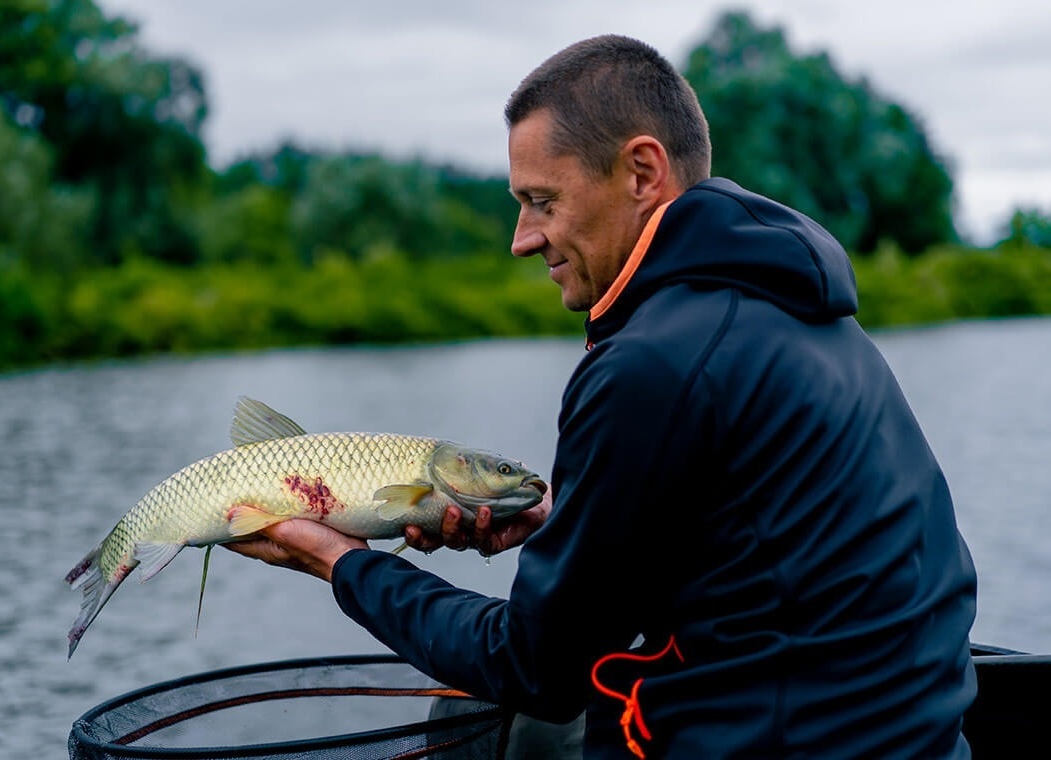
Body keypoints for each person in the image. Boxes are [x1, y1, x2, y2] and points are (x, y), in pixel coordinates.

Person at [225, 34, 978, 758]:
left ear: (643, 173)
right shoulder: (810, 320)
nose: (522, 238)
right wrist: (567, 519)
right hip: (916, 739)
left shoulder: (652, 363)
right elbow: (753, 551)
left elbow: (535, 669)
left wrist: (340, 562)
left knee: (519, 714)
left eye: (543, 201)